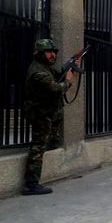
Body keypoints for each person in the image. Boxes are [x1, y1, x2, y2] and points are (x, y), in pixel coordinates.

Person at [22, 39, 78, 195]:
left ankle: (51, 144)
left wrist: (71, 64)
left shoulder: (46, 68)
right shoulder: (38, 71)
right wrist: (68, 82)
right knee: (38, 147)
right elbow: (56, 87)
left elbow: (57, 73)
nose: (53, 55)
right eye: (49, 52)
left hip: (47, 113)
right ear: (40, 53)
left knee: (45, 143)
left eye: (54, 52)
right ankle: (31, 184)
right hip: (40, 114)